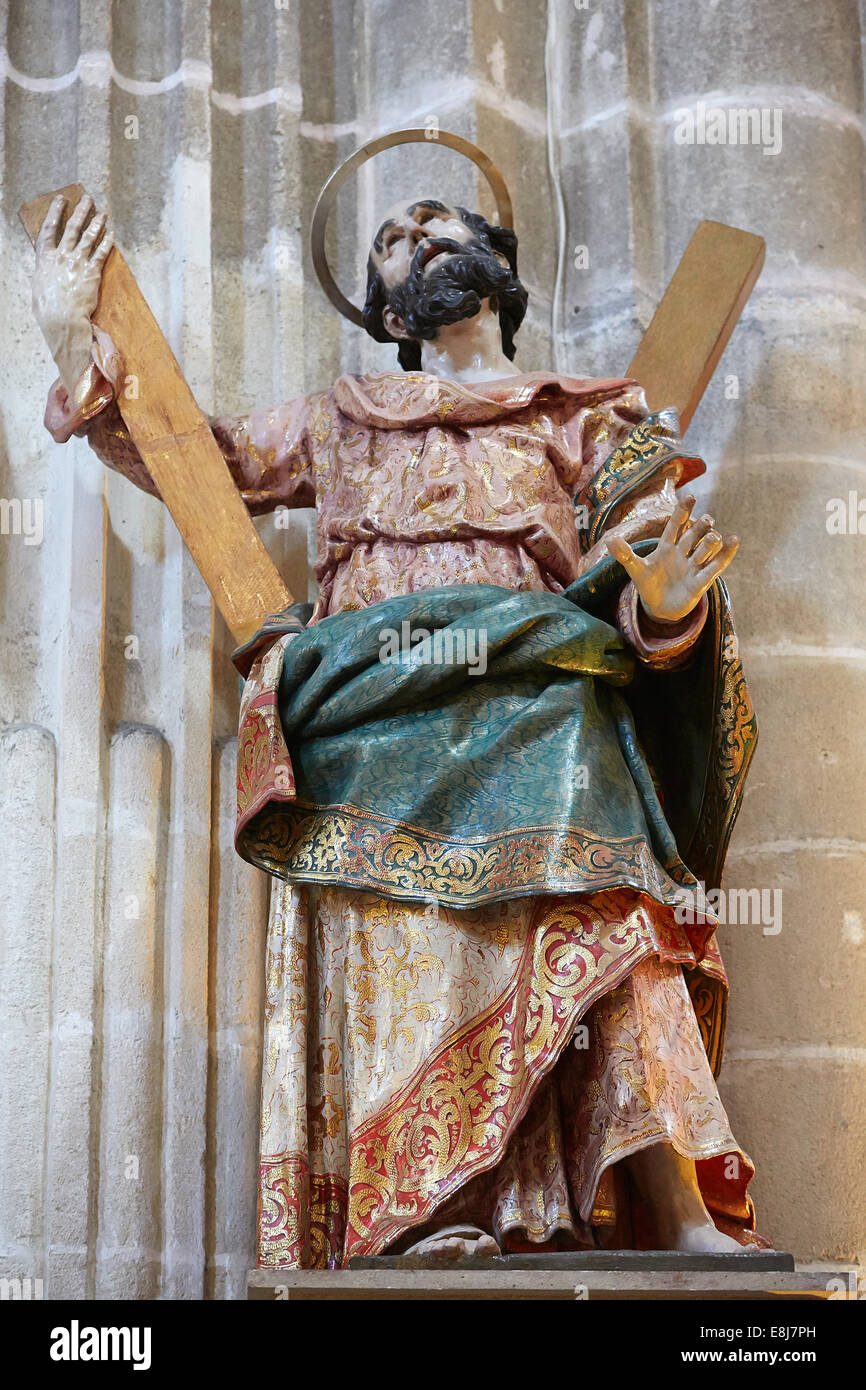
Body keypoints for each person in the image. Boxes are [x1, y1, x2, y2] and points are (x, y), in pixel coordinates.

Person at [34, 191, 766, 1266]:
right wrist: (65, 332)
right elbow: (196, 461)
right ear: (384, 309)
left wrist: (661, 608)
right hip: (373, 710)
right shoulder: (338, 416)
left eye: (437, 224)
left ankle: (678, 1212)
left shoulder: (582, 418)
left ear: (496, 265)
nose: (414, 240)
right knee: (406, 942)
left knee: (618, 922)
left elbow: (641, 567)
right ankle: (425, 1217)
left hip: (540, 701)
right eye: (391, 241)